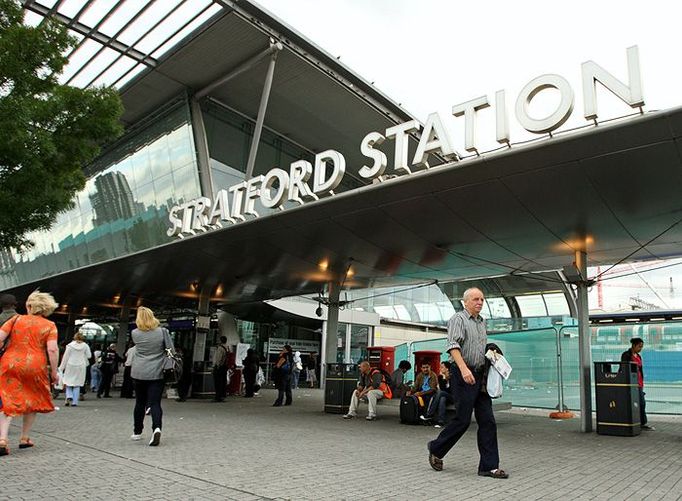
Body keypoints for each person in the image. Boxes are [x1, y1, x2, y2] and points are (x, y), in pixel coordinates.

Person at [427, 287, 508, 479]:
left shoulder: (482, 322)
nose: (480, 302)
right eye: (475, 299)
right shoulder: (458, 319)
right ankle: (437, 448)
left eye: (482, 299)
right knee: (463, 420)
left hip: (480, 376)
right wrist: (464, 370)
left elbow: (477, 347)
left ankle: (488, 467)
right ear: (465, 302)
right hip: (463, 373)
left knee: (487, 420)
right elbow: (453, 346)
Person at [0, 291, 60, 456]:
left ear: (29, 306)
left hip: (10, 363)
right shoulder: (50, 325)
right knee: (32, 398)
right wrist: (54, 372)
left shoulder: (15, 319)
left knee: (7, 399)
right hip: (35, 365)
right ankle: (24, 438)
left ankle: (2, 439)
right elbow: (53, 350)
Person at [130, 306, 173, 446]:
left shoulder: (134, 333)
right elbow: (171, 350)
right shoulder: (162, 332)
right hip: (157, 372)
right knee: (155, 403)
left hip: (138, 372)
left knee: (140, 403)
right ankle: (157, 428)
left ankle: (137, 432)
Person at [621, 337, 654, 431]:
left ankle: (641, 422)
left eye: (642, 347)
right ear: (634, 345)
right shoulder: (626, 355)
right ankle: (639, 422)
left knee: (641, 403)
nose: (641, 348)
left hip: (639, 383)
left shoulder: (638, 356)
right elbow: (624, 368)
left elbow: (640, 370)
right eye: (639, 346)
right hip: (631, 383)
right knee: (640, 403)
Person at [58, 331, 92, 407]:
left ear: (75, 337)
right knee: (77, 384)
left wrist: (61, 368)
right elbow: (89, 356)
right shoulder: (85, 346)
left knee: (68, 381)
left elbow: (65, 357)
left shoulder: (70, 346)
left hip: (70, 365)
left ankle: (69, 395)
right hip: (81, 366)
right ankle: (75, 402)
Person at [421, 361, 456, 428]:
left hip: (452, 397)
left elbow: (452, 391)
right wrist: (444, 379)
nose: (440, 369)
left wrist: (447, 379)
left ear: (447, 369)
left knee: (440, 393)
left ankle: (429, 414)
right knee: (442, 399)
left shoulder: (453, 377)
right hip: (445, 396)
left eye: (442, 367)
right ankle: (440, 422)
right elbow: (443, 389)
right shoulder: (440, 377)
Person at [212, 336, 229, 402]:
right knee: (223, 382)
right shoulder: (227, 347)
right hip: (224, 367)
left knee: (218, 382)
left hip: (219, 367)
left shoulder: (220, 348)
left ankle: (218, 396)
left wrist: (216, 366)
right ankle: (222, 395)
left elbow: (218, 358)